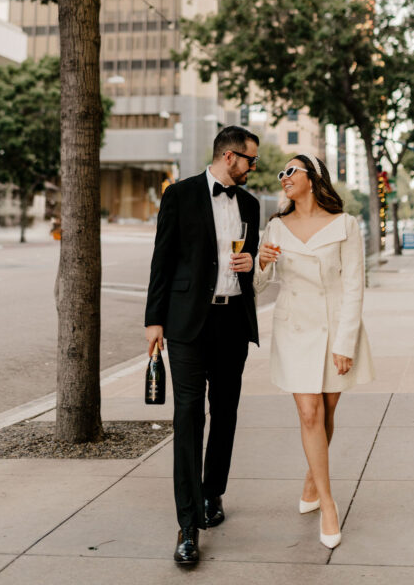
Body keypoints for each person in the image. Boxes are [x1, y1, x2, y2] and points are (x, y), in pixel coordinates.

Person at [144, 126, 261, 566]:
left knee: (226, 412)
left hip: (232, 321)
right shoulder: (180, 195)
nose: (254, 168)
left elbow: (249, 267)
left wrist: (250, 264)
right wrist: (154, 319)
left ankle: (213, 494)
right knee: (189, 416)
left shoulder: (249, 203)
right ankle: (188, 525)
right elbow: (163, 258)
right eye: (251, 160)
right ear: (230, 157)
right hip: (187, 324)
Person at [254, 154, 374, 551]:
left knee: (328, 411)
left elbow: (355, 285)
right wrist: (261, 263)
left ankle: (311, 478)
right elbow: (257, 286)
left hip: (335, 325)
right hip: (294, 328)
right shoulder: (275, 226)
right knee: (310, 413)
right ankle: (328, 504)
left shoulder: (345, 225)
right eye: (281, 173)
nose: (283, 177)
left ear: (313, 178)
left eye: (291, 171)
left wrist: (345, 341)